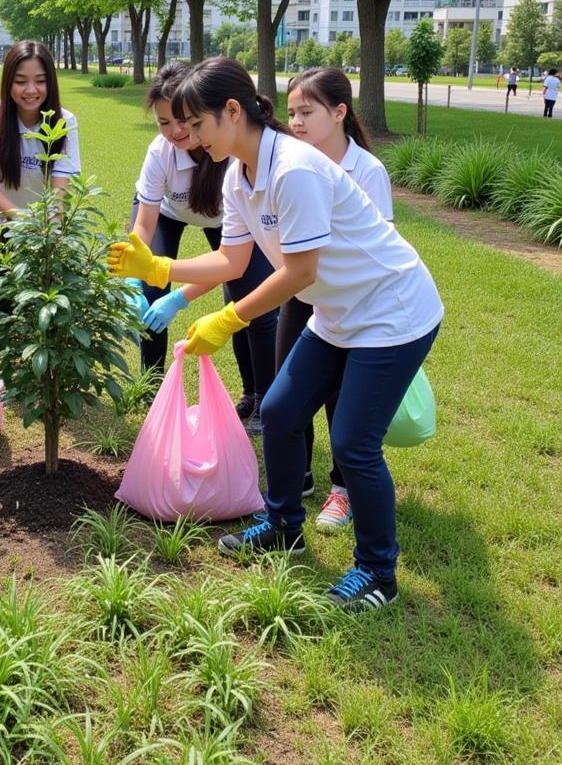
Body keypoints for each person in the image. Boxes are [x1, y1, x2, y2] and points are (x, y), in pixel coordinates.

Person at [108, 57, 443, 611]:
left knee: (355, 445)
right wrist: (159, 270)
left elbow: (300, 272)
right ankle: (284, 524)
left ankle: (378, 572)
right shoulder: (238, 175)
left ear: (233, 112)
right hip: (337, 313)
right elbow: (231, 260)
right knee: (283, 413)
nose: (188, 137)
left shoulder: (293, 169)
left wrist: (230, 318)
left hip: (392, 312)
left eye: (197, 123)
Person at [131, 63, 278, 426]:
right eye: (164, 122)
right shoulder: (161, 152)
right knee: (150, 290)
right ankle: (153, 393)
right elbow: (146, 221)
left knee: (247, 302)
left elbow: (231, 260)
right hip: (170, 213)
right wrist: (134, 274)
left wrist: (181, 297)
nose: (176, 131)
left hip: (227, 221)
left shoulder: (230, 153)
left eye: (185, 120)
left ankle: (257, 396)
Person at [283, 68, 394, 532]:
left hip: (354, 303)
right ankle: (298, 475)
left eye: (306, 111)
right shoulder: (294, 162)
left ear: (340, 112)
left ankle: (342, 489)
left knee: (341, 400)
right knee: (287, 388)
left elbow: (382, 246)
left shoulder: (366, 170)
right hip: (303, 291)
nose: (297, 122)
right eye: (291, 113)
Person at [0, 40, 80, 282]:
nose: (31, 90)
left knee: (41, 294)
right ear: (8, 81)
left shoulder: (65, 122)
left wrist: (49, 229)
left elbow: (60, 187)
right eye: (21, 81)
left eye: (40, 81)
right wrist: (24, 221)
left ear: (50, 83)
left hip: (44, 226)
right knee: (1, 296)